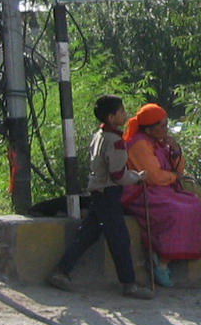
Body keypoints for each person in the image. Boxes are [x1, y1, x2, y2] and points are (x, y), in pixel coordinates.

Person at [47, 95, 153, 299]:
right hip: (108, 192)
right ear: (112, 117)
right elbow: (117, 175)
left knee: (88, 234)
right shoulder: (116, 142)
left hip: (98, 190)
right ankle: (129, 284)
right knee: (119, 239)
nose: (124, 114)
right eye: (121, 112)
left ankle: (61, 272)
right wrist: (138, 177)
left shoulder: (99, 135)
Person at [120, 103, 201, 287]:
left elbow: (178, 169)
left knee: (194, 204)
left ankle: (165, 257)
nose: (166, 129)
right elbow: (154, 176)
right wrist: (175, 176)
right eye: (162, 126)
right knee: (176, 211)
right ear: (149, 129)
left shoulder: (159, 143)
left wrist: (176, 151)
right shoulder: (139, 145)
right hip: (143, 191)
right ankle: (161, 259)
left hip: (164, 189)